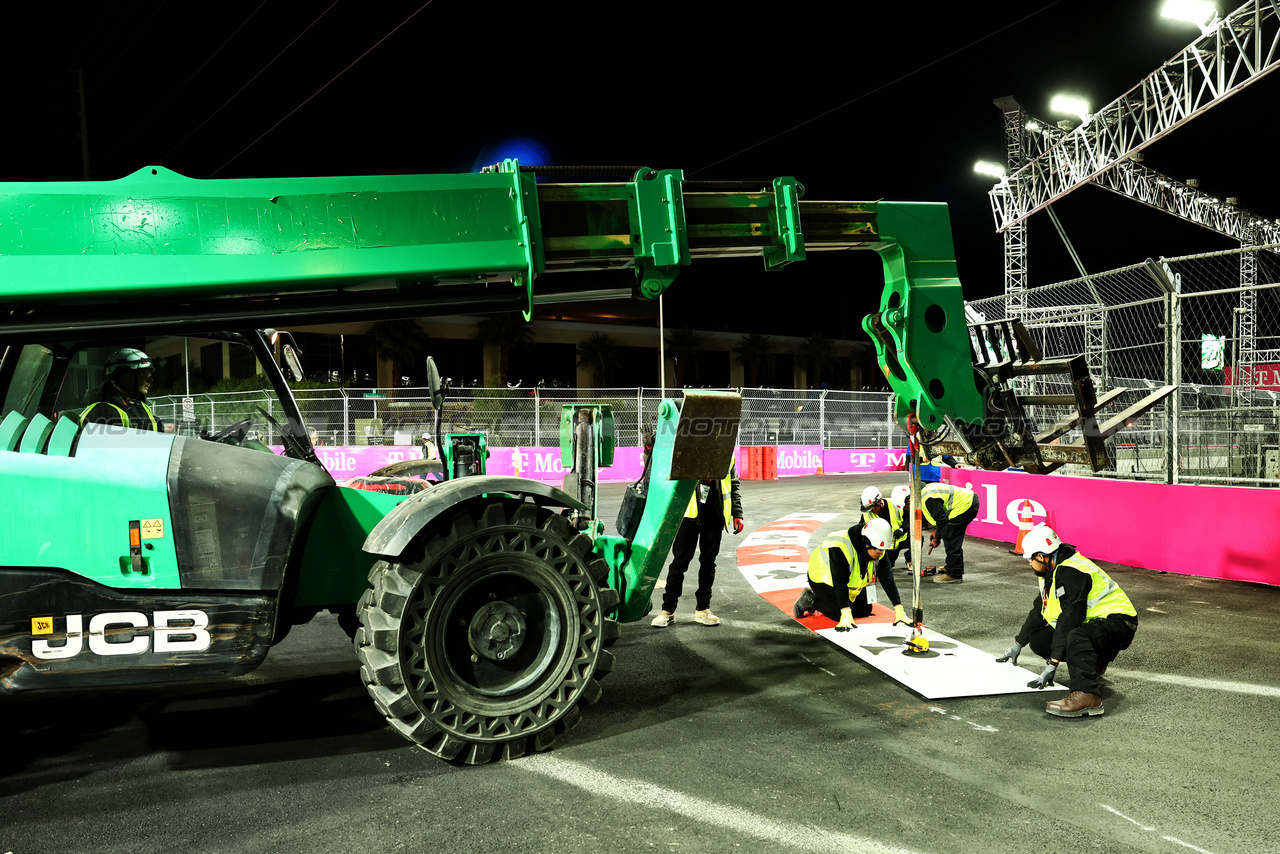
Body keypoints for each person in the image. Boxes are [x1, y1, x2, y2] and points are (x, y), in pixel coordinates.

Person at [996, 524, 1138, 718]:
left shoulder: (1072, 571)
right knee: (1040, 640)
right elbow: (1040, 609)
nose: (1029, 563)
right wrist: (1018, 644)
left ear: (1042, 556)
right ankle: (1093, 664)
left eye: (1030, 558)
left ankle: (1088, 695)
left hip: (1119, 622)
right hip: (1097, 623)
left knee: (1076, 635)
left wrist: (1052, 663)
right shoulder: (1052, 570)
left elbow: (1070, 618)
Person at [651, 461, 744, 627]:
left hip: (715, 514)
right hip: (688, 515)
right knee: (679, 563)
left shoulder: (726, 452)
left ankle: (703, 609)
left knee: (708, 564)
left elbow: (733, 484)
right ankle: (667, 610)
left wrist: (737, 512)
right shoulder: (688, 446)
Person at [793, 518, 910, 629]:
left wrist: (899, 608)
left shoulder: (877, 547)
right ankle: (810, 600)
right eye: (878, 550)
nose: (881, 553)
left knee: (864, 610)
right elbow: (839, 579)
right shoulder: (841, 546)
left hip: (846, 581)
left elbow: (887, 577)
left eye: (883, 549)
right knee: (840, 614)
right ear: (866, 544)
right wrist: (845, 611)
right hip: (823, 579)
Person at [79, 348, 164, 432]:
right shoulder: (103, 413)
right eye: (144, 374)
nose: (150, 380)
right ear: (124, 375)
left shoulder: (142, 407)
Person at [919, 481, 980, 584]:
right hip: (968, 501)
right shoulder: (928, 489)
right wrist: (936, 530)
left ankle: (954, 574)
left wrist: (937, 537)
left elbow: (941, 520)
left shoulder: (927, 497)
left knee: (950, 536)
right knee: (951, 534)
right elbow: (940, 514)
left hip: (965, 504)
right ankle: (952, 567)